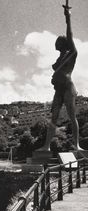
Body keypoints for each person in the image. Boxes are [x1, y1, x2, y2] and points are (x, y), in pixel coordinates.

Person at [44, 3, 83, 151]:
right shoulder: (60, 59)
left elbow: (70, 35)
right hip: (58, 89)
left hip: (68, 88)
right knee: (53, 118)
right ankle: (46, 146)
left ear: (64, 43)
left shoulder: (71, 54)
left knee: (72, 116)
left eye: (58, 41)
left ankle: (77, 145)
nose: (56, 43)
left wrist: (68, 18)